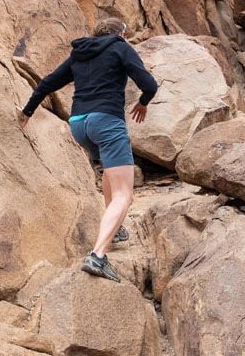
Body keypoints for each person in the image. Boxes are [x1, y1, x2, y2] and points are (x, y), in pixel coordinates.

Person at [19, 17, 158, 282]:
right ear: (121, 34)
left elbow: (49, 82)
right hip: (106, 121)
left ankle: (114, 229)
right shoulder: (119, 47)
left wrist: (27, 112)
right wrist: (143, 102)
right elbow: (149, 84)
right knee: (124, 195)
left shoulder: (80, 53)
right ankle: (98, 256)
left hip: (79, 124)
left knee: (110, 170)